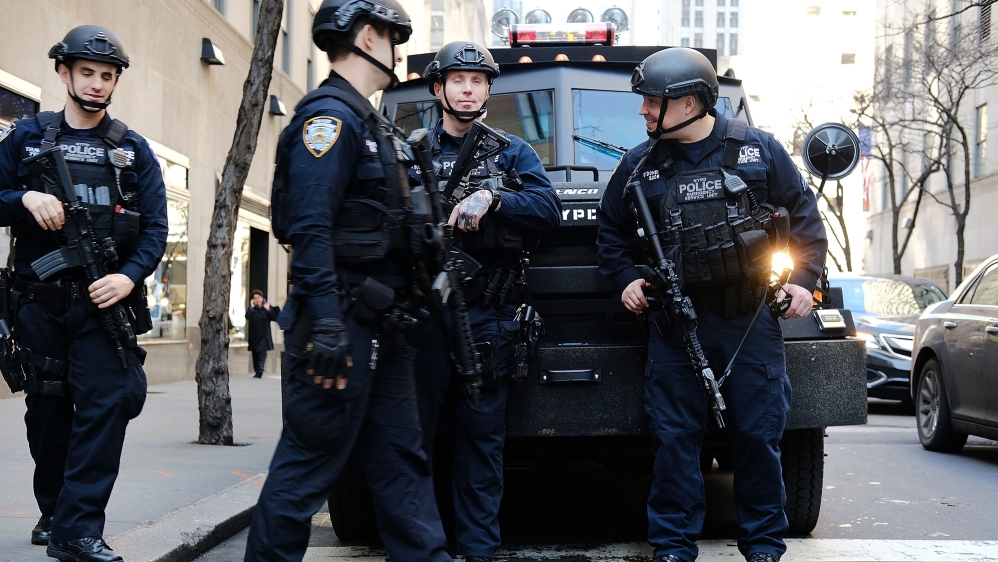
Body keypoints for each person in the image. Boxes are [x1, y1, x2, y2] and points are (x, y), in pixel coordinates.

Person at [595, 48, 827, 562]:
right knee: (675, 441)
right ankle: (673, 546)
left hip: (748, 319)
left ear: (690, 102)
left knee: (757, 437)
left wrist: (804, 283)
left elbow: (808, 224)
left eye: (652, 101)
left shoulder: (760, 151)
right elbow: (610, 236)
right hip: (676, 324)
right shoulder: (638, 166)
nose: (643, 112)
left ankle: (764, 545)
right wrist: (628, 277)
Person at [243, 1, 452, 560]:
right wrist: (330, 330)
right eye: (392, 37)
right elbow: (308, 229)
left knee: (404, 470)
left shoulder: (371, 123)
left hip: (386, 330)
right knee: (304, 474)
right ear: (366, 36)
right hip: (338, 331)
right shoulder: (329, 119)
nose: (397, 49)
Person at [0, 25, 168, 562]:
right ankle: (55, 511)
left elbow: (157, 230)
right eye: (88, 73)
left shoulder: (133, 150)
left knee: (107, 406)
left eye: (107, 76)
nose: (97, 84)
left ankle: (78, 530)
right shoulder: (27, 138)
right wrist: (23, 197)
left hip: (104, 303)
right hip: (40, 303)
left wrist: (130, 275)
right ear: (63, 72)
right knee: (47, 414)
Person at [409, 40, 561, 562]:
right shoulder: (413, 151)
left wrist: (494, 197)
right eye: (459, 81)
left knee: (481, 445)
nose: (469, 89)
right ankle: (419, 548)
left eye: (478, 82)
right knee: (413, 442)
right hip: (424, 319)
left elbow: (548, 209)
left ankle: (478, 551)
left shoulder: (512, 152)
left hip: (488, 320)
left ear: (487, 91)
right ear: (439, 89)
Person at [245, 289, 280, 377]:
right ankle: (257, 370)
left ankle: (261, 368)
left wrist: (269, 310)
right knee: (255, 353)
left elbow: (274, 317)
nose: (257, 299)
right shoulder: (251, 309)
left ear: (262, 297)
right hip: (254, 335)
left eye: (259, 297)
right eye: (255, 298)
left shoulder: (266, 307)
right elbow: (247, 316)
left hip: (264, 335)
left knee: (262, 352)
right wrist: (251, 307)